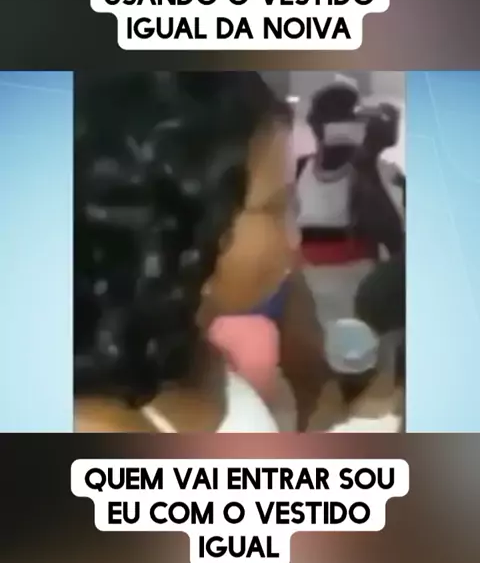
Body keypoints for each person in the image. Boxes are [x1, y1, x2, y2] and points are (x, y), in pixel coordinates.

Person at [74, 71, 324, 433]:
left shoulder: (189, 349)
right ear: (180, 226)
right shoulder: (94, 428)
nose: (295, 239)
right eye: (276, 206)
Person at [296, 81, 405, 329]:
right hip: (309, 294)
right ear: (314, 123)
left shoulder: (382, 172)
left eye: (346, 118)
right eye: (330, 118)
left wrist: (368, 159)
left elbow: (395, 241)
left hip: (361, 295)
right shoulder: (301, 168)